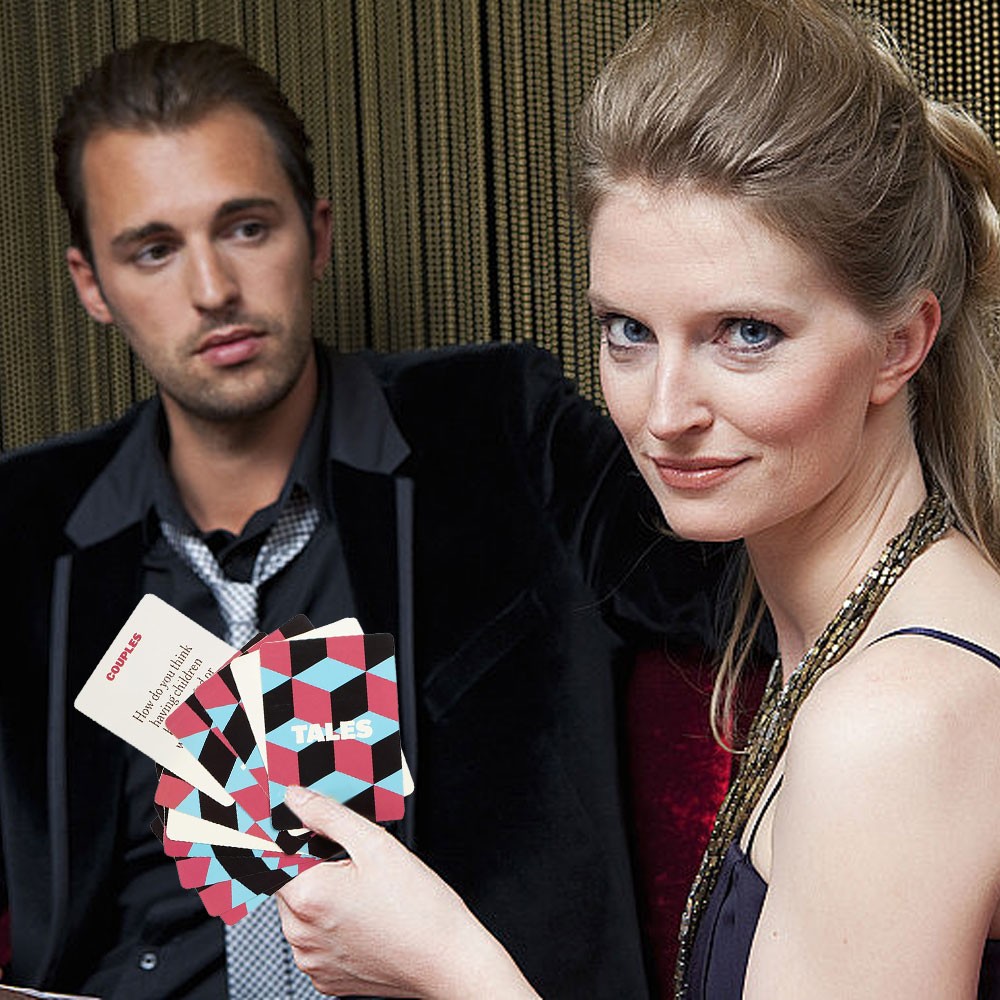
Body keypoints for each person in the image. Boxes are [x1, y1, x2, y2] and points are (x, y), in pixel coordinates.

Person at [262, 1, 1000, 997]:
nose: (663, 414)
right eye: (629, 332)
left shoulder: (894, 720)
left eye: (746, 333)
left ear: (900, 343)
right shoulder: (842, 635)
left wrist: (447, 962)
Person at [0, 35, 726, 1000]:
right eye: (155, 250)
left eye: (247, 227)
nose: (212, 290)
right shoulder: (20, 525)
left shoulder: (495, 429)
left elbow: (737, 584)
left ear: (316, 233)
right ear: (92, 283)